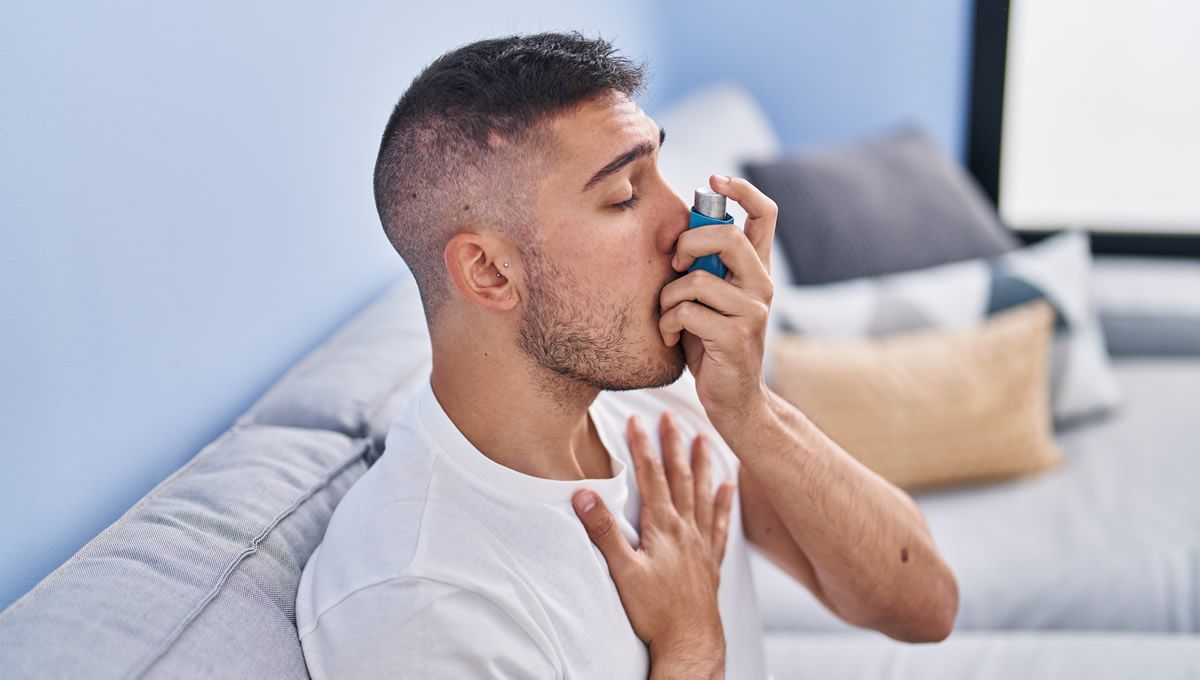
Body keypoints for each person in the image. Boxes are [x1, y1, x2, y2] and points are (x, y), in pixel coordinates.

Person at [295, 30, 958, 679]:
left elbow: (925, 607)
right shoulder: (418, 609)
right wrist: (692, 649)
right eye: (624, 196)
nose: (687, 225)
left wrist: (750, 412)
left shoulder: (656, 401)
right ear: (489, 273)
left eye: (662, 172)